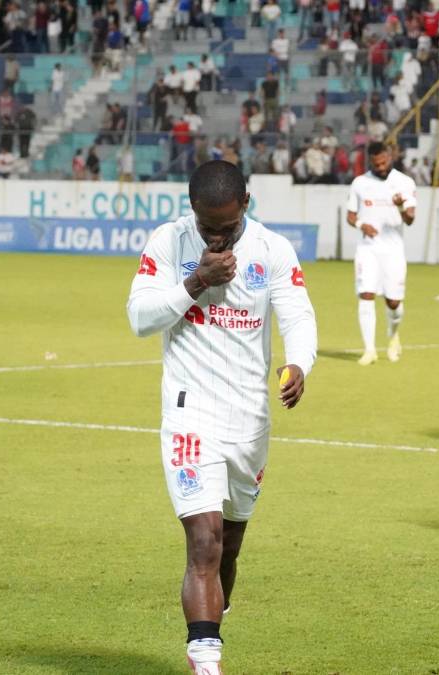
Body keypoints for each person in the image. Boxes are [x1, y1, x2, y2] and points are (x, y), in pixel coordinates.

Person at [126, 160, 317, 675]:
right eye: (207, 227)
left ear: (246, 206)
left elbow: (298, 313)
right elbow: (139, 317)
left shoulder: (272, 249)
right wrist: (194, 283)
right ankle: (206, 662)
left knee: (228, 546)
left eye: (226, 227)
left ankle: (215, 620)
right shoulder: (168, 243)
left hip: (250, 419)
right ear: (191, 210)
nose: (216, 237)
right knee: (203, 540)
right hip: (191, 412)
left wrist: (299, 361)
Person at [346, 142, 417, 365]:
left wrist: (401, 206)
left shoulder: (404, 182)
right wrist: (361, 225)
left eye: (384, 162)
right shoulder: (359, 183)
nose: (381, 167)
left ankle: (393, 335)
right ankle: (369, 350)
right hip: (367, 248)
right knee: (366, 294)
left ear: (390, 157)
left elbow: (410, 219)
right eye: (376, 164)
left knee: (393, 302)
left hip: (393, 250)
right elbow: (350, 215)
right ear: (371, 162)